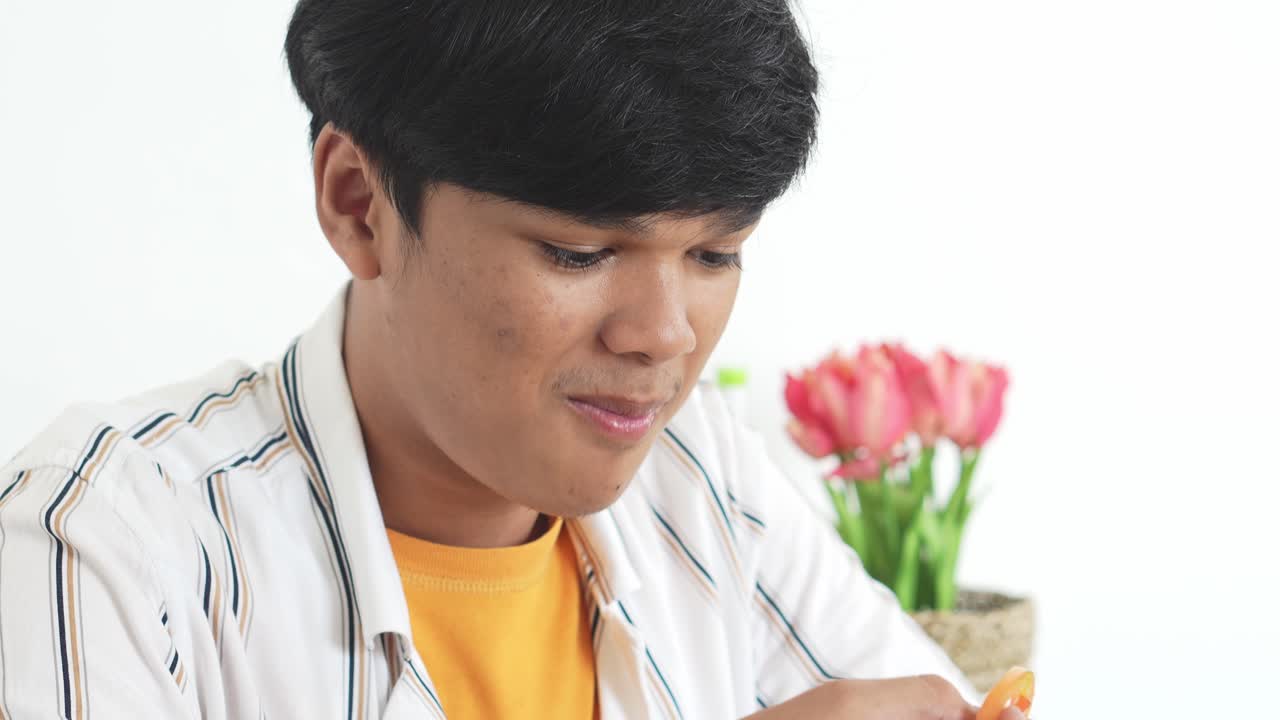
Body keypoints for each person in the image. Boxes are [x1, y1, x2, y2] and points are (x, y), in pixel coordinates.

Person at [0, 1, 1026, 718]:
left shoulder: (701, 479)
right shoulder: (106, 541)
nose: (663, 334)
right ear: (358, 204)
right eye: (578, 252)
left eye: (716, 254)